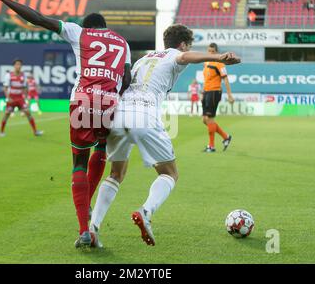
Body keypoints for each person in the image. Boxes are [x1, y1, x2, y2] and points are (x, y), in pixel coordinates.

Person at [0, 0, 132, 248]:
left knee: (78, 163)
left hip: (83, 100)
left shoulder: (78, 32)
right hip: (110, 102)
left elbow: (37, 18)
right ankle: (89, 207)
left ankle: (84, 229)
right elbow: (127, 79)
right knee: (101, 149)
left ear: (87, 26)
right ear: (105, 26)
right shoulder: (122, 42)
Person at [89, 24, 240, 247]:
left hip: (119, 114)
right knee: (170, 173)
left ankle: (93, 227)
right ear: (182, 44)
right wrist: (218, 56)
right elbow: (185, 57)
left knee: (116, 174)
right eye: (187, 45)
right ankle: (146, 212)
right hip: (144, 114)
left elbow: (124, 81)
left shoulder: (144, 59)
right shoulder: (175, 55)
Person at [202, 43, 235, 153]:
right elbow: (206, 78)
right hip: (206, 92)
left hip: (214, 91)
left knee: (209, 119)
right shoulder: (206, 62)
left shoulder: (220, 63)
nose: (210, 53)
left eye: (212, 51)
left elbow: (225, 79)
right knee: (205, 120)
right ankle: (226, 137)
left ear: (216, 52)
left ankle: (211, 146)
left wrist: (230, 95)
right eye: (209, 51)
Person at [0, 58, 43, 137]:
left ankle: (35, 131)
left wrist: (25, 97)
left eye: (19, 64)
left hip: (20, 98)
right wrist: (7, 97)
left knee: (28, 113)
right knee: (7, 114)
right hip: (12, 98)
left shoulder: (24, 75)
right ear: (14, 66)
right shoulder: (9, 75)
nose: (18, 66)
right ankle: (2, 131)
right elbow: (5, 88)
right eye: (17, 64)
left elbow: (25, 88)